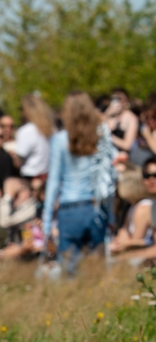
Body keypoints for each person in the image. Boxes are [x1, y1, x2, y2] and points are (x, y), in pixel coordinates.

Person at [43, 93, 116, 274]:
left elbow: (53, 181)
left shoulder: (60, 140)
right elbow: (108, 176)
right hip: (94, 208)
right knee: (97, 270)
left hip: (69, 209)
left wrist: (46, 222)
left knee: (69, 270)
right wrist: (111, 215)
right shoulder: (100, 136)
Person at [109, 155, 156, 259]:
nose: (151, 179)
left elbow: (136, 241)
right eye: (146, 175)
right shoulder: (131, 206)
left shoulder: (144, 207)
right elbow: (123, 233)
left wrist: (125, 253)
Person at [15, 94, 53, 181]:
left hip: (30, 179)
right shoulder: (52, 128)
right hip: (48, 178)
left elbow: (19, 161)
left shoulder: (26, 131)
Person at [104, 88, 140, 156]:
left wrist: (107, 135)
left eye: (119, 98)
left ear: (126, 100)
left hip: (121, 155)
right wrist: (107, 114)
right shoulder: (107, 114)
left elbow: (127, 145)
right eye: (114, 99)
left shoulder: (131, 118)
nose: (117, 101)